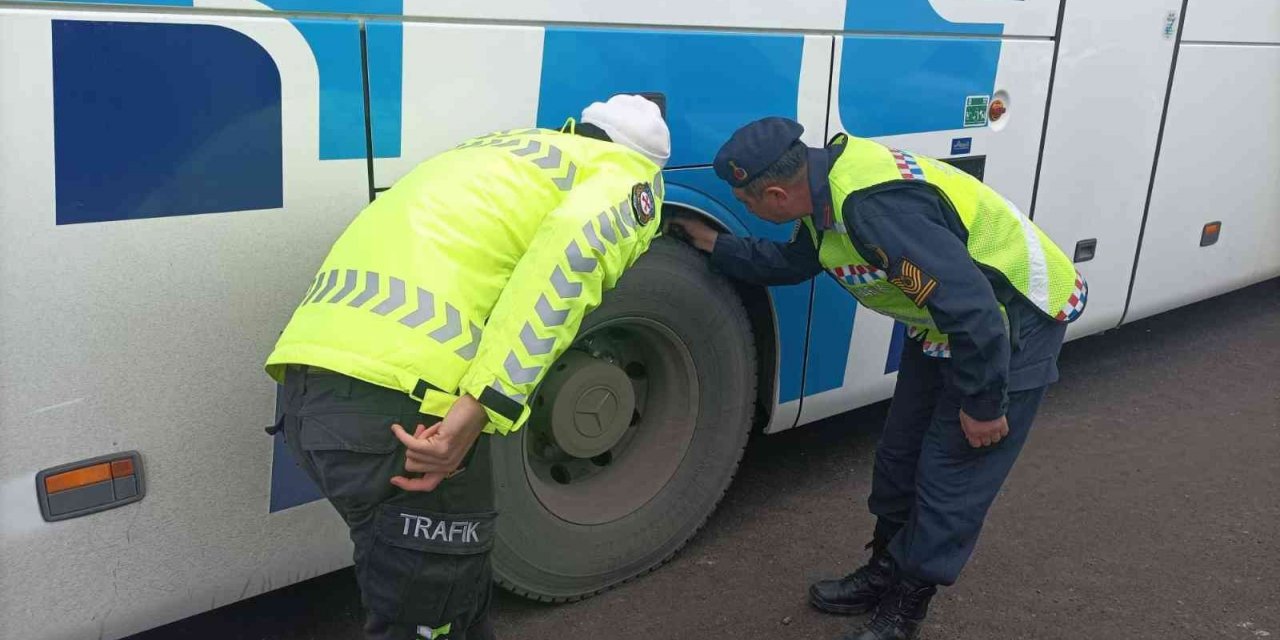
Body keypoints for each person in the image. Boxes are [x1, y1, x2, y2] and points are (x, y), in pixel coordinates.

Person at [263, 94, 670, 640]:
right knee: (432, 616)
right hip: (404, 413)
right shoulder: (626, 174)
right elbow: (564, 272)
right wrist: (479, 410)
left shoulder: (503, 152)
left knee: (448, 598)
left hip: (310, 397)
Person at [668, 117, 1087, 640]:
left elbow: (975, 312)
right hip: (945, 323)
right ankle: (886, 570)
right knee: (898, 458)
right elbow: (798, 261)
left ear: (776, 193)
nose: (749, 211)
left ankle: (905, 608)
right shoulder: (821, 193)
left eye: (748, 203)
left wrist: (984, 405)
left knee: (949, 474)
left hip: (1008, 321)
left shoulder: (874, 211)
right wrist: (714, 244)